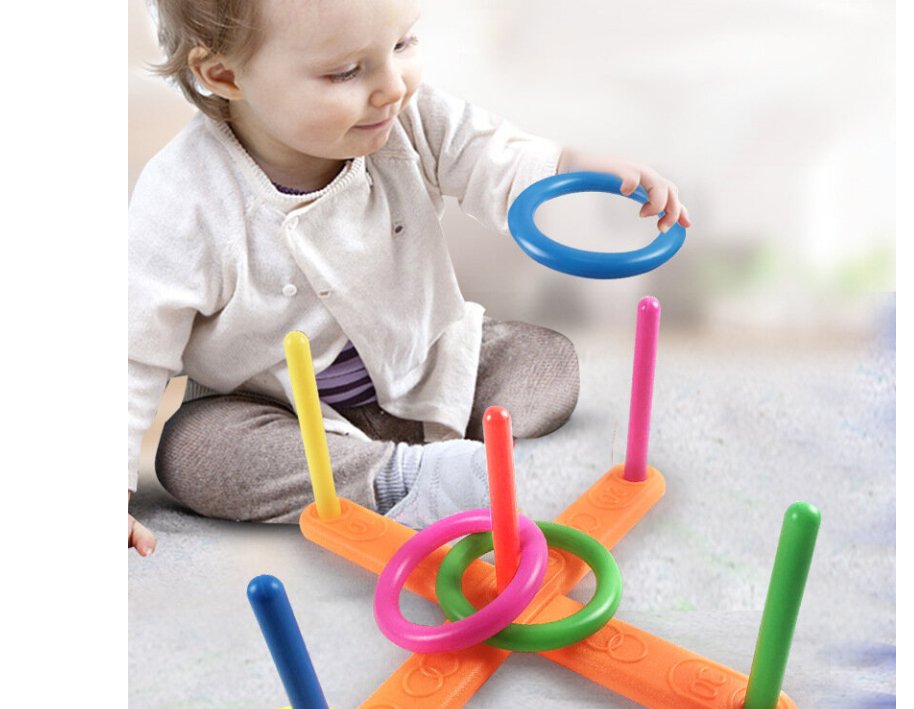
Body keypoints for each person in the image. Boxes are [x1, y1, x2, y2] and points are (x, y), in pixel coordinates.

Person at [128, 0, 691, 556]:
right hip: (280, 413)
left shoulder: (408, 117)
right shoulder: (184, 199)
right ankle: (402, 477)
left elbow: (494, 157)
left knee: (547, 360)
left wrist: (574, 168)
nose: (392, 87)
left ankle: (474, 461)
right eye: (345, 71)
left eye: (402, 44)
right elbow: (132, 351)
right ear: (224, 75)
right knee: (191, 454)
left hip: (425, 366)